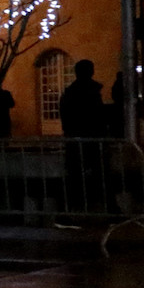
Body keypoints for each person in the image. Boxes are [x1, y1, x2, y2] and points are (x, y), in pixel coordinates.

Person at [59, 59, 111, 213]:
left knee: (77, 176)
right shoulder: (89, 92)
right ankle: (99, 206)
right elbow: (97, 116)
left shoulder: (71, 93)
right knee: (97, 175)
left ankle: (75, 207)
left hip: (78, 139)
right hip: (90, 139)